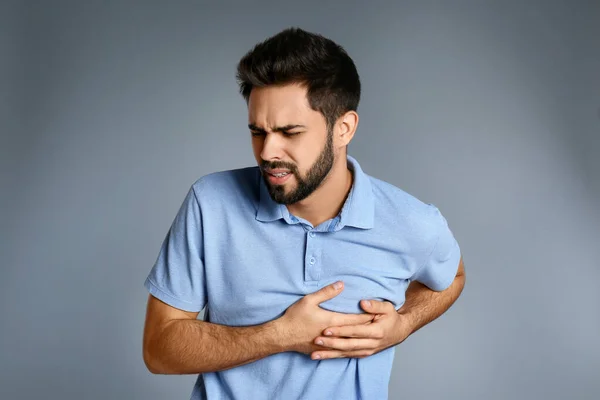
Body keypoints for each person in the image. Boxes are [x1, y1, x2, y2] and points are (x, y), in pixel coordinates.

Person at [142, 27, 465, 400]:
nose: (267, 151)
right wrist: (281, 335)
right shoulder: (210, 203)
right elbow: (158, 348)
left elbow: (453, 275)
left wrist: (404, 324)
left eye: (289, 132)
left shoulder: (411, 221)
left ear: (343, 129)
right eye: (257, 132)